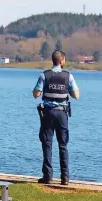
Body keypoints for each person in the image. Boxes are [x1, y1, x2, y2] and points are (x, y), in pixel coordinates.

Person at [32, 50, 80, 185]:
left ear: (53, 60)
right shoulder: (68, 76)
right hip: (62, 113)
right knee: (63, 144)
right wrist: (67, 90)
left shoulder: (44, 75)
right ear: (62, 61)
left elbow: (36, 94)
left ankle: (47, 177)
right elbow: (76, 96)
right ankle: (65, 178)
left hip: (48, 113)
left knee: (47, 144)